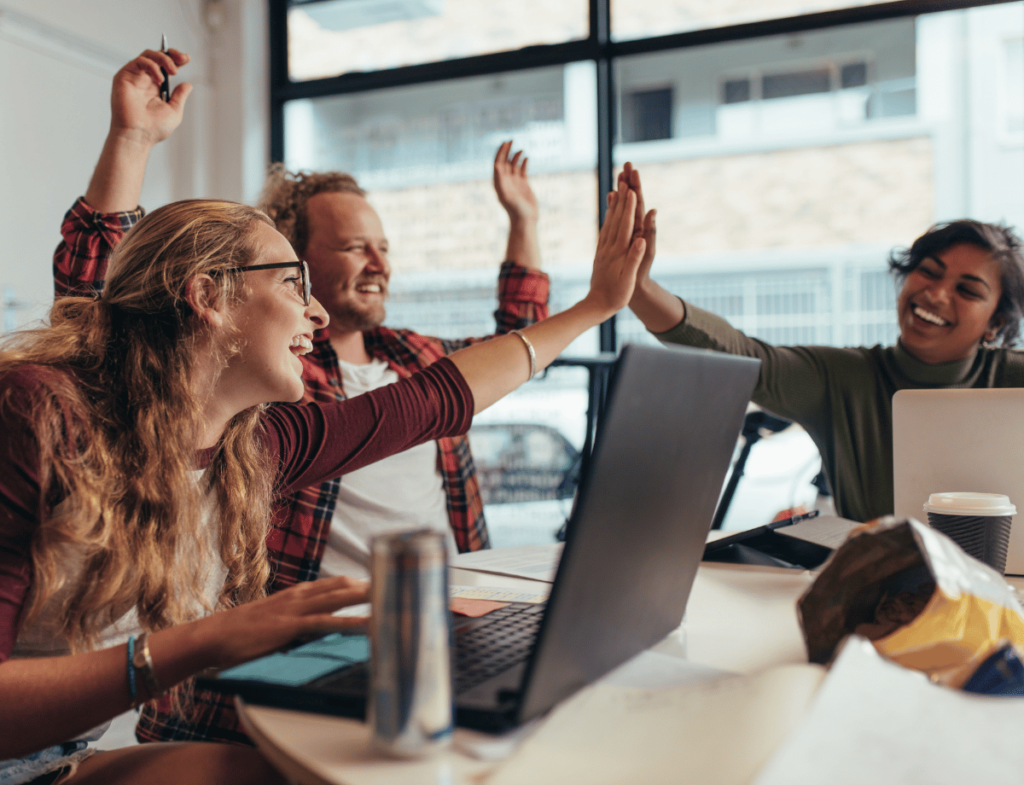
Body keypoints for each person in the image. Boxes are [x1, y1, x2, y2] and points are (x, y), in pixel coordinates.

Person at [0, 142, 645, 785]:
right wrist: (210, 639)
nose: (315, 310)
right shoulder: (35, 415)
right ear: (207, 295)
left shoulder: (248, 446)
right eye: (292, 282)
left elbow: (436, 397)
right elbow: (96, 283)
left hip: (67, 759)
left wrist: (599, 306)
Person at [53, 50, 548, 745]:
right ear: (298, 264)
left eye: (382, 245)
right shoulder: (262, 388)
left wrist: (525, 224)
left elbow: (508, 354)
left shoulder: (415, 358)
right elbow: (106, 306)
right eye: (353, 247)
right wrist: (130, 141)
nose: (378, 262)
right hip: (300, 656)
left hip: (433, 621)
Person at [622, 161, 1024, 524]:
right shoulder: (843, 378)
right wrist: (639, 290)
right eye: (928, 272)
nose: (936, 295)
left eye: (967, 291)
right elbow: (741, 353)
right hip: (879, 595)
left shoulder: (1014, 379)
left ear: (997, 322)